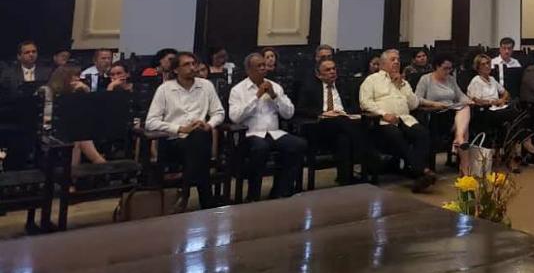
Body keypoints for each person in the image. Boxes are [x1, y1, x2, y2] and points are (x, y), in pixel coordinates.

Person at [145, 51, 225, 211]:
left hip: (200, 137)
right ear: (176, 70)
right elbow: (150, 122)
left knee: (199, 136)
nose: (192, 67)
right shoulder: (165, 89)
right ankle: (205, 199)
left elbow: (219, 113)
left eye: (193, 64)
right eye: (186, 65)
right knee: (198, 145)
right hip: (173, 141)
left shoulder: (206, 86)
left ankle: (185, 192)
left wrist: (209, 124)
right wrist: (180, 128)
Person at [229, 53, 306, 201]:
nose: (264, 68)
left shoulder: (275, 86)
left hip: (274, 132)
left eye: (264, 65)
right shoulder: (238, 90)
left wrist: (274, 96)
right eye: (259, 66)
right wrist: (256, 96)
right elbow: (235, 117)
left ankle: (281, 191)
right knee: (260, 148)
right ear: (249, 70)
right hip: (251, 135)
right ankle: (253, 195)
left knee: (298, 145)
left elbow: (289, 113)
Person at [359, 49, 435, 193]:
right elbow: (365, 103)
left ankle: (417, 172)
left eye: (398, 60)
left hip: (405, 119)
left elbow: (413, 104)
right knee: (396, 135)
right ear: (382, 63)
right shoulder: (372, 80)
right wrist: (383, 114)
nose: (396, 62)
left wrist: (402, 86)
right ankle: (421, 171)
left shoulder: (403, 82)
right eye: (392, 60)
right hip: (382, 122)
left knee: (422, 133)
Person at [297, 58, 374, 186]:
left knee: (343, 140)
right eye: (328, 70)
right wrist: (321, 113)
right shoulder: (309, 87)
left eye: (334, 69)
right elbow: (300, 109)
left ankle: (345, 179)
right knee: (342, 122)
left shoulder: (343, 85)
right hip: (320, 126)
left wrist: (345, 113)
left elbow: (355, 106)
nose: (332, 72)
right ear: (318, 74)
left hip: (343, 125)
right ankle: (368, 154)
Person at [415, 52, 473, 175]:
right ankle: (464, 165)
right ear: (436, 66)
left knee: (465, 108)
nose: (448, 71)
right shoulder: (426, 79)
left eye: (450, 68)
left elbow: (460, 95)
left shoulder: (451, 79)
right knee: (464, 127)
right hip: (436, 114)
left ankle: (458, 139)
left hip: (452, 112)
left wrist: (468, 100)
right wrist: (434, 104)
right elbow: (417, 98)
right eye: (445, 68)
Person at [40, 65, 106, 167]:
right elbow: (44, 114)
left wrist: (86, 91)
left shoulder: (73, 92)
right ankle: (100, 163)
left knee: (78, 136)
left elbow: (88, 112)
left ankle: (72, 177)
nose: (77, 79)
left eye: (78, 75)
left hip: (67, 130)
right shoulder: (46, 91)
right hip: (47, 131)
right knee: (78, 137)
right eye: (74, 76)